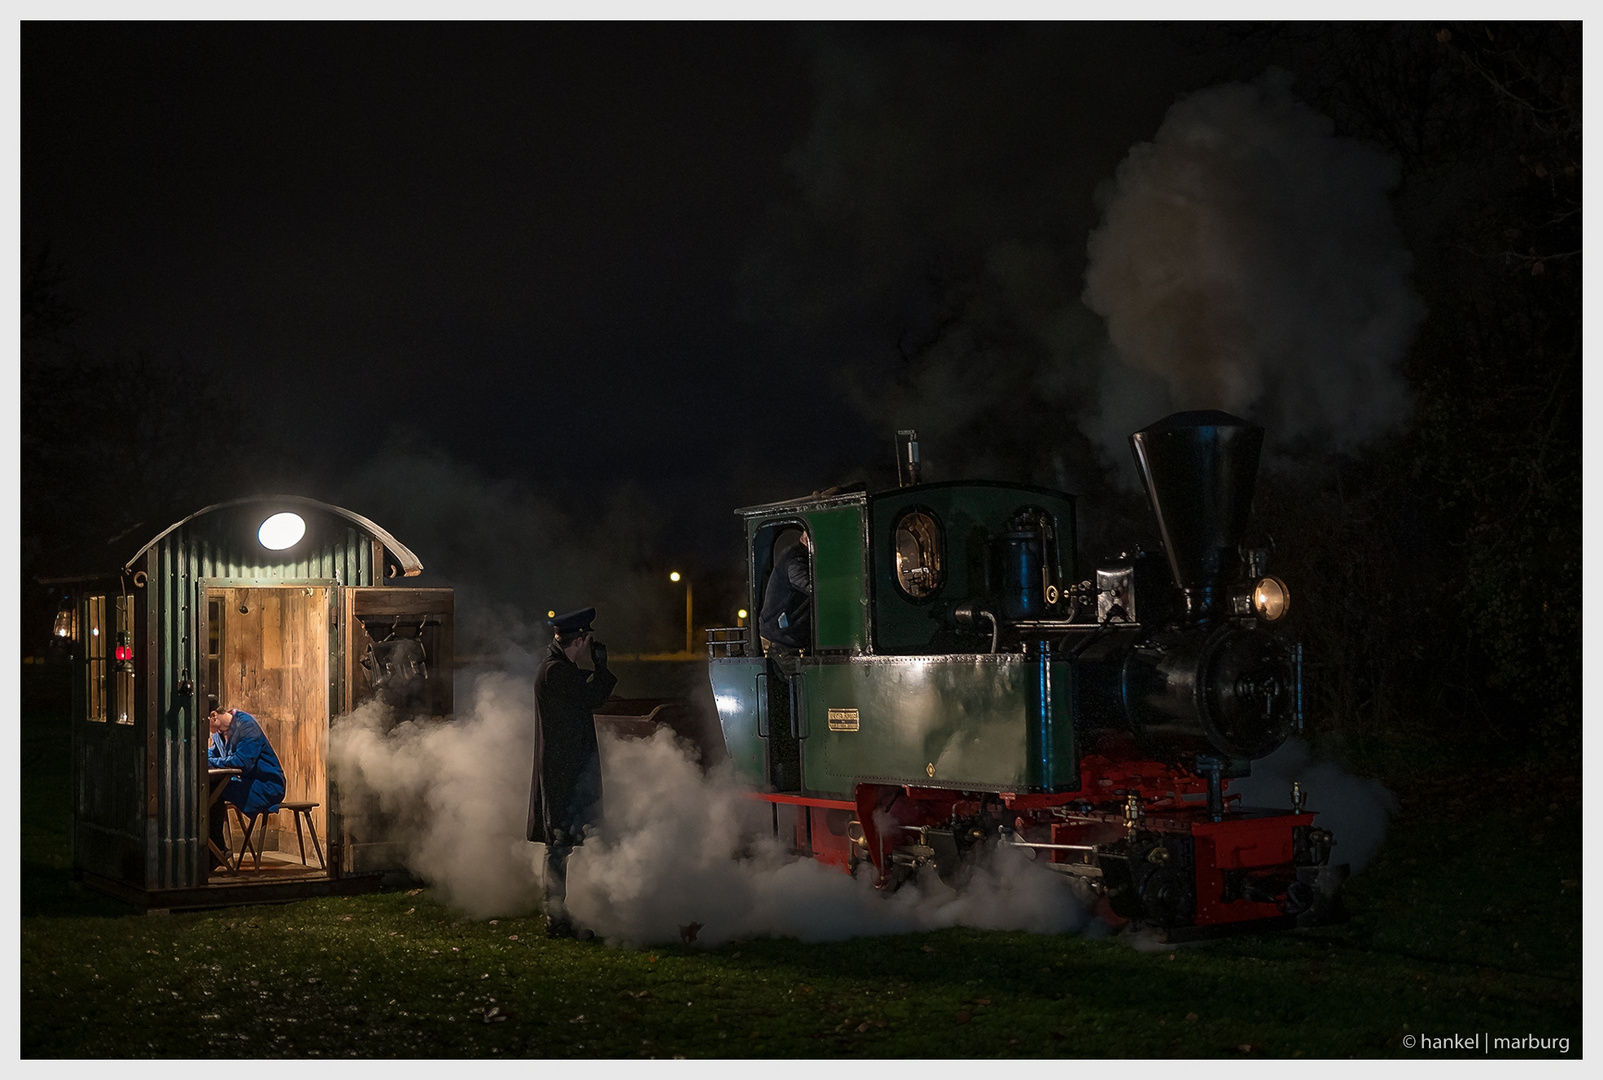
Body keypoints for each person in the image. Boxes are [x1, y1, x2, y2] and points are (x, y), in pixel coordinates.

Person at [526, 607, 617, 939]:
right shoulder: (556, 672)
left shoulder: (557, 669)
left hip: (567, 769)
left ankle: (564, 914)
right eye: (586, 640)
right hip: (564, 772)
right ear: (578, 640)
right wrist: (602, 668)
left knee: (565, 842)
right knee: (560, 844)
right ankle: (556, 918)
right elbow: (592, 697)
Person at [207, 701, 286, 869]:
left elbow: (242, 762)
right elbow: (212, 754)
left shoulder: (246, 725)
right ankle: (215, 850)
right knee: (210, 788)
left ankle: (216, 850)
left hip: (266, 785)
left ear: (213, 715)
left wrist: (206, 761)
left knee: (213, 789)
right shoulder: (219, 734)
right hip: (244, 782)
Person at [759, 530, 812, 655]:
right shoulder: (795, 558)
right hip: (782, 638)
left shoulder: (796, 555)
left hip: (786, 636)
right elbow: (805, 583)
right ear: (807, 539)